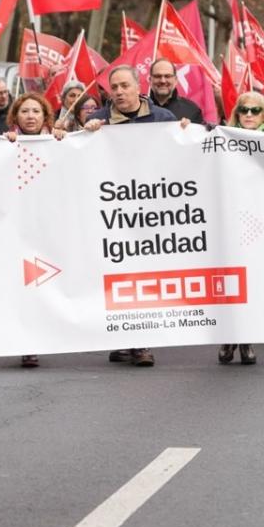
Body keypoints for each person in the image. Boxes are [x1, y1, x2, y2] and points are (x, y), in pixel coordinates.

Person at [85, 65, 183, 368]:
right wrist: (84, 134)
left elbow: (180, 156)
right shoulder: (97, 120)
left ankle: (142, 342)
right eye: (114, 87)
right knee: (118, 275)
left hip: (151, 211)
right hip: (114, 212)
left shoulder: (163, 118)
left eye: (125, 86)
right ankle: (123, 337)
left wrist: (187, 132)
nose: (119, 92)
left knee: (144, 275)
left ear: (139, 87)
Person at [3, 93, 65, 368]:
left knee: (46, 287)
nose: (30, 116)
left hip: (49, 227)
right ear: (15, 116)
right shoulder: (3, 145)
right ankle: (28, 343)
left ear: (45, 116)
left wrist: (67, 139)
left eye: (36, 111)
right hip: (16, 228)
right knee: (23, 287)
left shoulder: (59, 143)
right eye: (24, 111)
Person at [216, 90, 264, 366]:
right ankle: (229, 337)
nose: (249, 115)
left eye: (255, 110)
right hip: (229, 218)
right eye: (244, 110)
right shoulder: (220, 138)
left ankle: (247, 338)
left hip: (261, 220)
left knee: (253, 281)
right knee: (230, 280)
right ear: (236, 113)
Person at [147, 59, 205, 125]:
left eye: (167, 76)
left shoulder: (192, 110)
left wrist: (190, 128)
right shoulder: (139, 109)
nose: (163, 81)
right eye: (158, 76)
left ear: (176, 80)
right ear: (150, 80)